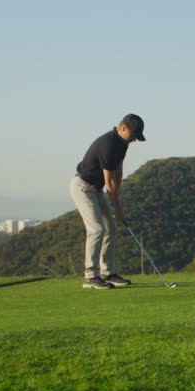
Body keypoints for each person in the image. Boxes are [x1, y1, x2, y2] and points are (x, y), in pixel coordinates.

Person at [70, 114, 145, 289]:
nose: (134, 140)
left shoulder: (122, 144)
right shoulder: (108, 144)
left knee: (110, 227)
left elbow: (118, 170)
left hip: (95, 189)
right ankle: (90, 275)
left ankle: (107, 272)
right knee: (97, 229)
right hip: (82, 187)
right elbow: (109, 181)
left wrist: (117, 194)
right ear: (123, 128)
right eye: (133, 135)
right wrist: (117, 208)